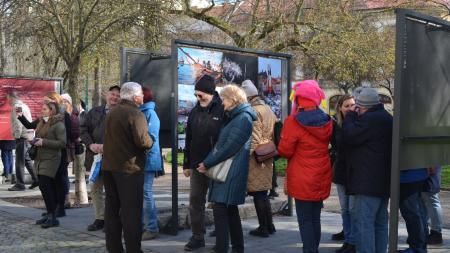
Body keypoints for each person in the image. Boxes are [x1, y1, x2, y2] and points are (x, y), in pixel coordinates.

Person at [197, 84, 256, 253]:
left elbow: (229, 147)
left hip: (231, 171)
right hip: (229, 170)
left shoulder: (242, 118)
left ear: (233, 99)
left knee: (221, 210)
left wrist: (207, 163)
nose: (222, 103)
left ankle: (223, 248)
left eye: (224, 99)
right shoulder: (236, 116)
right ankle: (237, 248)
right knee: (229, 210)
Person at [278, 80, 333, 253]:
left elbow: (285, 151)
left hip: (302, 175)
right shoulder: (327, 120)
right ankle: (313, 249)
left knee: (305, 220)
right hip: (321, 173)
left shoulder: (292, 121)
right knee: (315, 217)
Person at [102, 82, 153, 253]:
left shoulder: (112, 112)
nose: (143, 98)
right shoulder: (135, 113)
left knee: (112, 211)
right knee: (131, 213)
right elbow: (143, 141)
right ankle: (133, 249)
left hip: (109, 167)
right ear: (135, 96)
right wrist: (151, 139)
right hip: (129, 170)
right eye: (141, 95)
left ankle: (114, 248)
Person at [343, 87, 393, 253]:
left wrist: (349, 116)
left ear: (363, 107)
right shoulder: (386, 117)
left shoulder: (369, 120)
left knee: (364, 225)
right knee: (380, 223)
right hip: (383, 182)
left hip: (366, 182)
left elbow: (349, 135)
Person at [183, 75, 225, 251]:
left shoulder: (222, 109)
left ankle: (221, 235)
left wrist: (213, 160)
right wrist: (187, 163)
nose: (198, 98)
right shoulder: (194, 111)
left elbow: (226, 139)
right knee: (195, 201)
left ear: (210, 93)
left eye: (201, 95)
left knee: (218, 202)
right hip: (196, 165)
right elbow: (189, 138)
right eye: (196, 95)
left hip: (216, 164)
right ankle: (197, 236)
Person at [80, 85, 120, 231]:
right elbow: (83, 130)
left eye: (118, 95)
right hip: (94, 157)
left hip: (113, 159)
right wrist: (91, 145)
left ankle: (112, 219)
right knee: (95, 188)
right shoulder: (94, 112)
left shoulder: (122, 113)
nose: (114, 97)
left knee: (112, 191)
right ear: (106, 95)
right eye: (112, 94)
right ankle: (100, 218)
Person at [241, 80, 277, 238]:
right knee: (263, 192)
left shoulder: (254, 111)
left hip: (256, 158)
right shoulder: (268, 108)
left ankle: (263, 227)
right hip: (268, 153)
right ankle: (270, 225)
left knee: (258, 194)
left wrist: (243, 158)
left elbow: (254, 139)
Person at [26, 102, 66, 228]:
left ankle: (53, 217)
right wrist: (33, 140)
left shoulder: (59, 125)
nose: (42, 110)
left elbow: (62, 143)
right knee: (44, 187)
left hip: (52, 159)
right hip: (40, 158)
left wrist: (44, 142)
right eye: (42, 108)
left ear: (51, 111)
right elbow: (39, 137)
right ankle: (50, 214)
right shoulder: (42, 122)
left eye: (44, 109)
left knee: (44, 185)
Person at [330, 95, 356, 253]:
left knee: (353, 209)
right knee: (345, 209)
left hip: (354, 172)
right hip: (341, 171)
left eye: (352, 105)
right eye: (347, 106)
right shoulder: (336, 125)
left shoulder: (357, 122)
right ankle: (347, 239)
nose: (350, 108)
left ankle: (353, 241)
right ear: (340, 108)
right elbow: (337, 145)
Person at [139, 87, 162, 240]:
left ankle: (152, 228)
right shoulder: (141, 112)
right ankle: (142, 226)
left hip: (148, 160)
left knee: (146, 193)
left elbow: (150, 139)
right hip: (141, 160)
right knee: (141, 194)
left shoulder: (150, 114)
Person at [7, 91, 39, 191]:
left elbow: (18, 123)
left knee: (19, 161)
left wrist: (17, 136)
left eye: (8, 98)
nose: (7, 101)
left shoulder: (17, 107)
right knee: (27, 160)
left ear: (12, 98)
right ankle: (36, 180)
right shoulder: (23, 105)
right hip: (27, 136)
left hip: (22, 137)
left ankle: (20, 184)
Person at [398, 168, 429, 253]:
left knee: (412, 213)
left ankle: (417, 247)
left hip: (407, 177)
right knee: (418, 212)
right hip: (420, 174)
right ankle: (420, 247)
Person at [422, 166, 444, 245]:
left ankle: (436, 233)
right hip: (426, 166)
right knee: (426, 200)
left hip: (430, 166)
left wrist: (432, 163)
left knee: (431, 198)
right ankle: (426, 231)